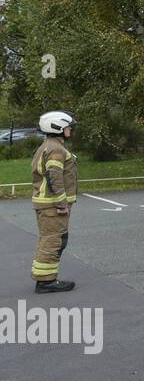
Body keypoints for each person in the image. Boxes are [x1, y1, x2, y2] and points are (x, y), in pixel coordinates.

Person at [30, 110, 78, 293]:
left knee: (51, 240)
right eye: (68, 127)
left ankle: (46, 278)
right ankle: (46, 282)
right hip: (52, 205)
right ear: (57, 127)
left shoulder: (49, 145)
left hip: (47, 204)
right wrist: (61, 203)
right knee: (53, 241)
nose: (70, 130)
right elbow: (54, 176)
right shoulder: (56, 149)